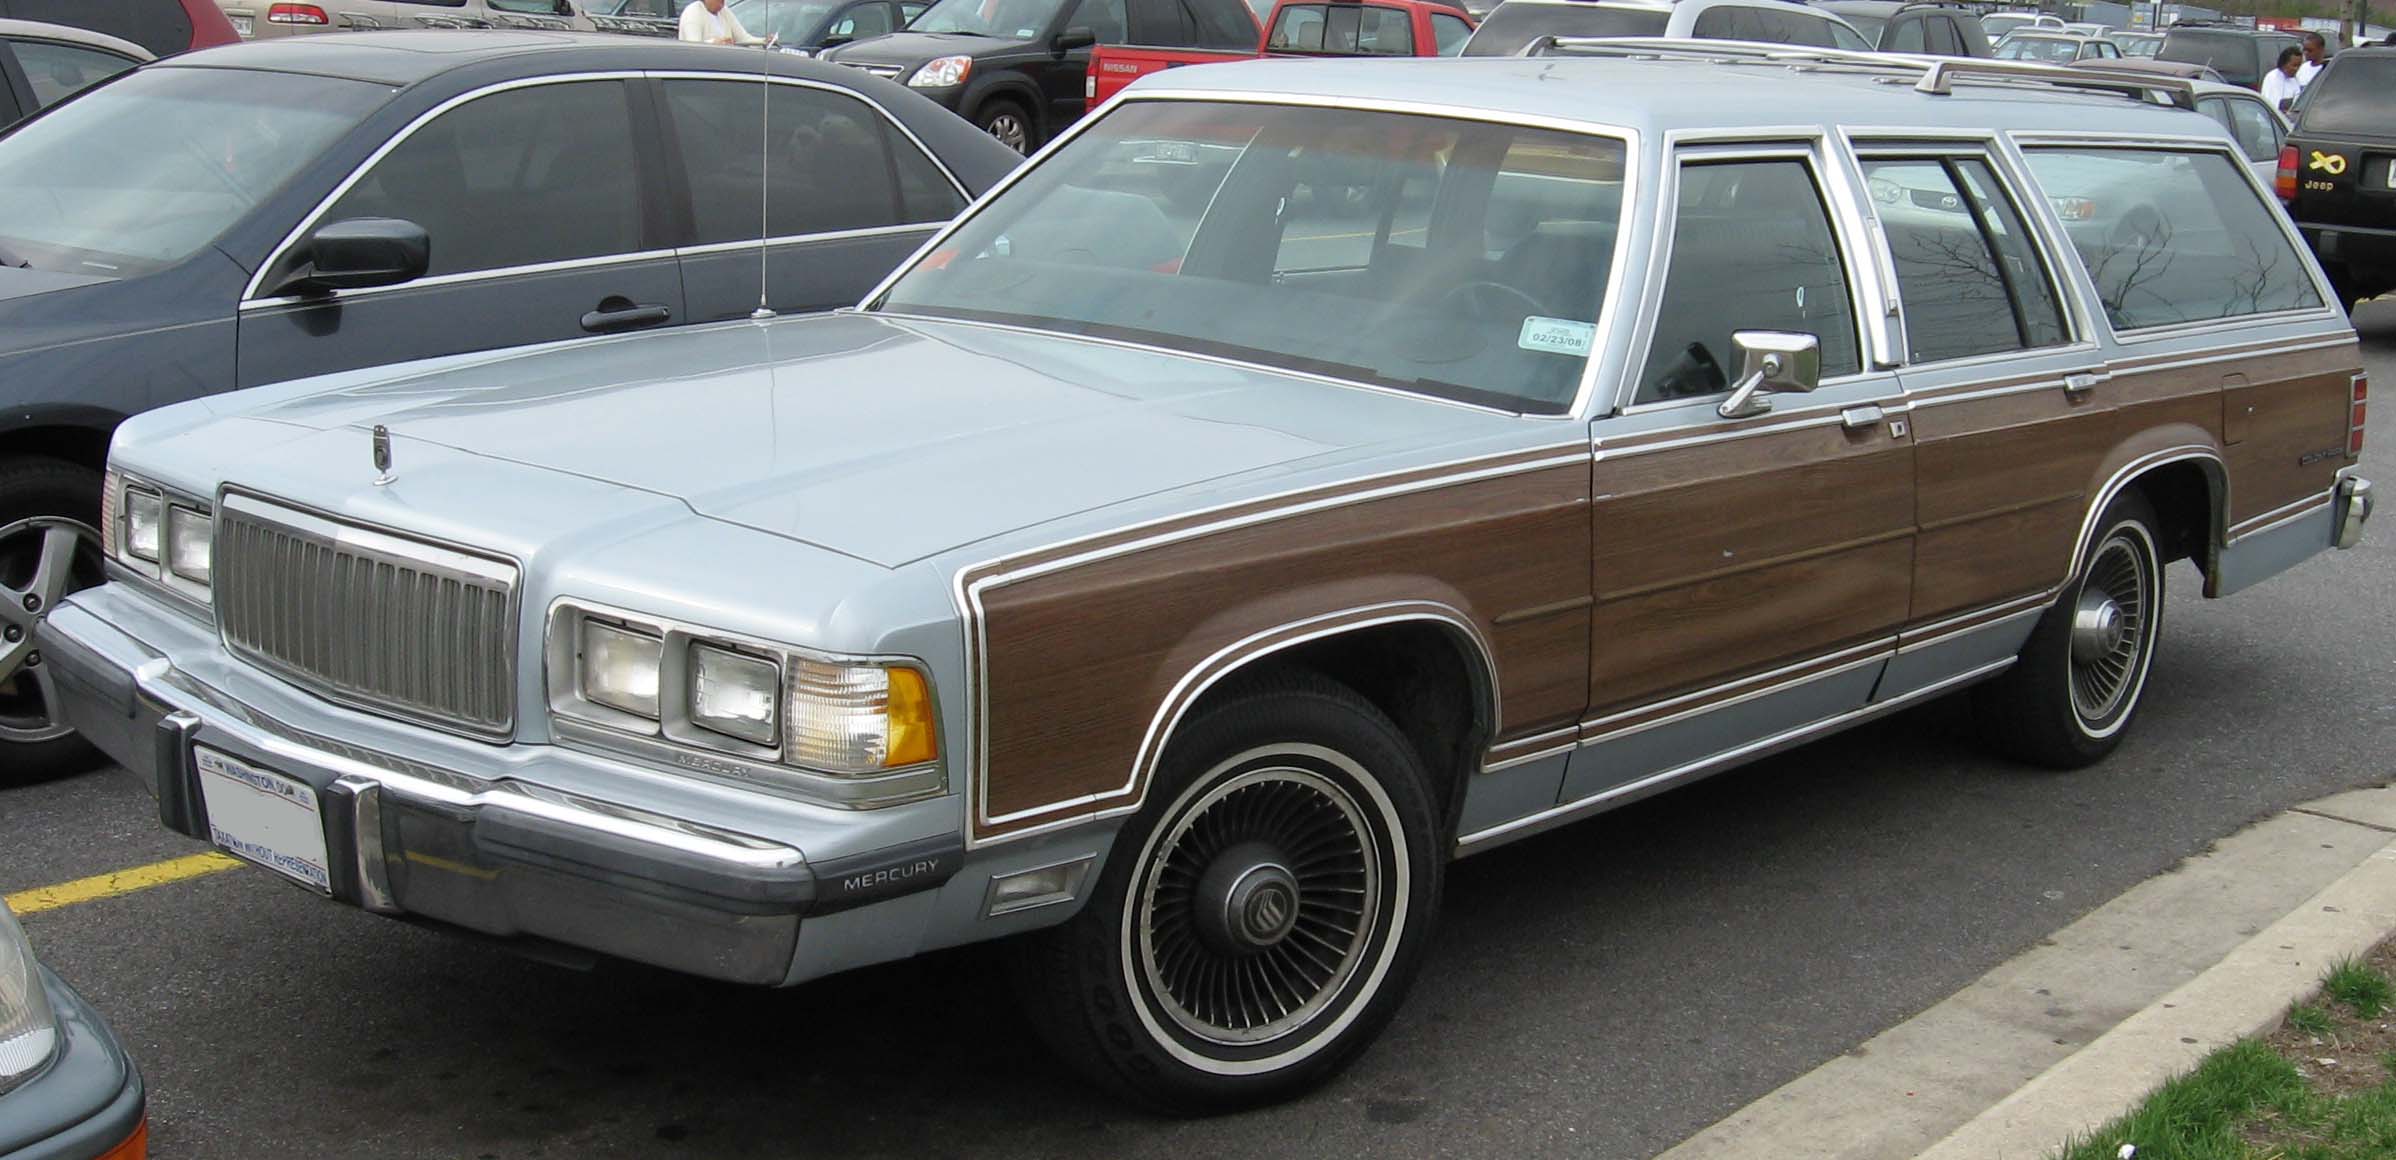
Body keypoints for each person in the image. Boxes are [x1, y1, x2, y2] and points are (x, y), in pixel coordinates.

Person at [678, 0, 775, 45]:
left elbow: (743, 38)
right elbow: (692, 46)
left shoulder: (724, 11)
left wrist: (763, 41)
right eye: (720, 0)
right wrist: (713, 43)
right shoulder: (693, 13)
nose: (723, 3)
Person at [2262, 45, 2302, 112]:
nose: (2297, 69)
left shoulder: (2295, 80)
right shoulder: (2272, 78)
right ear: (2284, 63)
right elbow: (2271, 105)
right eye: (2294, 65)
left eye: (2299, 65)